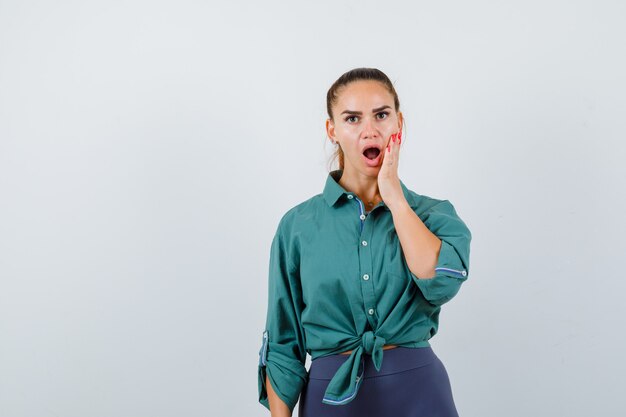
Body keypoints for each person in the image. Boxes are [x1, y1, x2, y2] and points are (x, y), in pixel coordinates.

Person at [257, 67, 472, 417]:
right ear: (333, 130)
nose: (369, 130)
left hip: (421, 395)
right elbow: (284, 344)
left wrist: (395, 200)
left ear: (399, 124)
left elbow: (441, 282)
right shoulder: (297, 227)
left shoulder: (433, 215)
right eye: (352, 118)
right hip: (332, 400)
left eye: (382, 115)